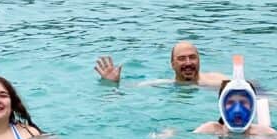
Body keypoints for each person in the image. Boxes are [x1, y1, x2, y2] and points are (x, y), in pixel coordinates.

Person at [94, 41, 228, 87]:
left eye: (192, 57)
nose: (188, 62)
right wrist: (112, 83)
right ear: (172, 64)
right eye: (182, 58)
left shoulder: (218, 81)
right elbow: (131, 89)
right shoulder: (163, 84)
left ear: (199, 60)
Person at [193, 79, 277, 138]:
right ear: (222, 106)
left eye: (243, 102)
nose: (237, 109)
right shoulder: (210, 130)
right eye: (230, 102)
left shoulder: (265, 133)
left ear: (253, 106)